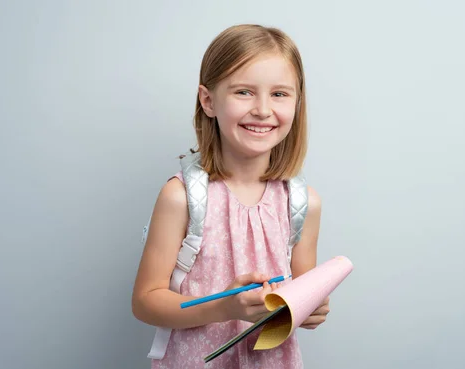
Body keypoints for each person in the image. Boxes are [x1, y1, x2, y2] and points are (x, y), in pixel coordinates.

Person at [132, 24, 329, 368]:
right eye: (244, 92)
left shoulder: (302, 203)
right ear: (208, 101)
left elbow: (298, 297)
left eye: (280, 94)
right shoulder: (181, 197)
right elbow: (145, 303)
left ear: (298, 102)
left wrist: (310, 307)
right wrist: (227, 308)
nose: (263, 110)